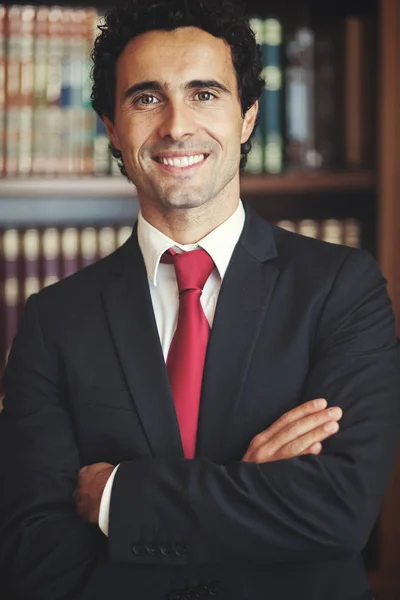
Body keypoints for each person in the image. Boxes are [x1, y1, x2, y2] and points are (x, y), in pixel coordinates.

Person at [0, 0, 399, 598]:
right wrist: (250, 492)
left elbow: (338, 512)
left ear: (247, 119)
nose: (177, 126)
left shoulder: (342, 288)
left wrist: (117, 497)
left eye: (205, 94)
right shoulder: (53, 320)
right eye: (147, 97)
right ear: (111, 125)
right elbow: (32, 561)